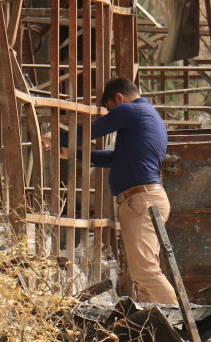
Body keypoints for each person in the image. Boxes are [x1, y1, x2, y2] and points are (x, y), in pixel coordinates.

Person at [52, 76, 179, 305]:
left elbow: (91, 131)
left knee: (146, 272)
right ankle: (157, 329)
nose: (111, 114)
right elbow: (115, 158)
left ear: (119, 98)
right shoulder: (150, 117)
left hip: (140, 200)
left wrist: (56, 138)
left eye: (110, 108)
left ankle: (185, 323)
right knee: (143, 275)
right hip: (147, 198)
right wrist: (75, 154)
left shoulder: (130, 110)